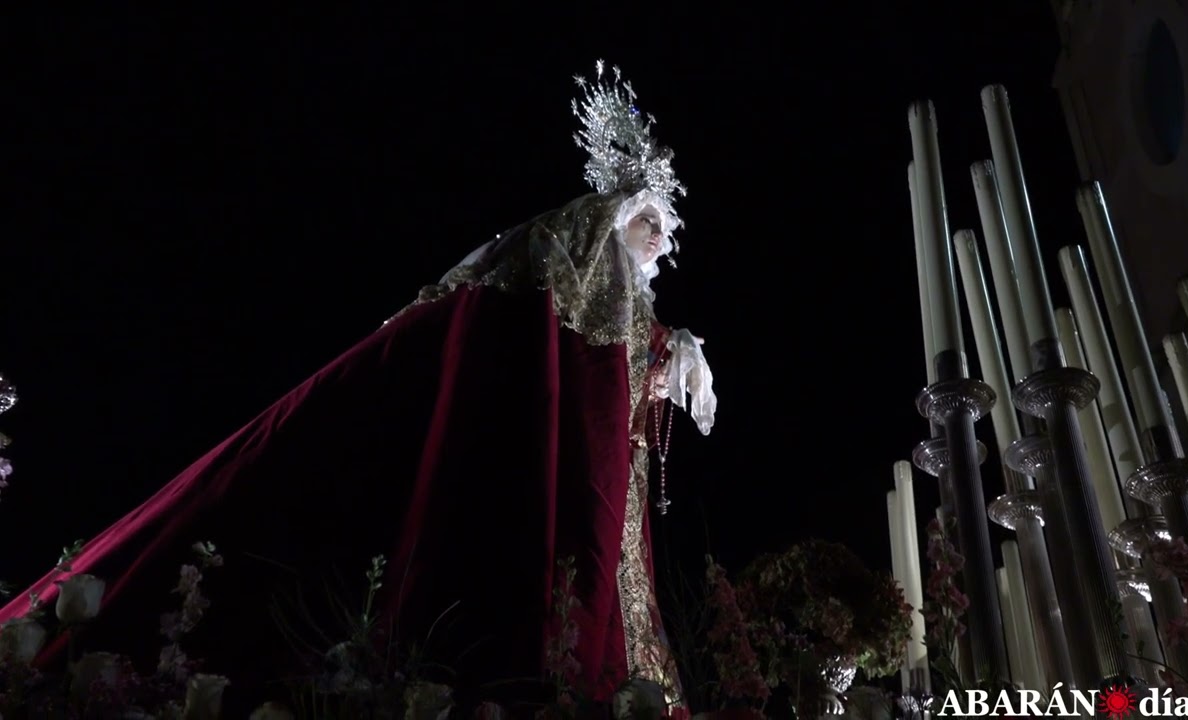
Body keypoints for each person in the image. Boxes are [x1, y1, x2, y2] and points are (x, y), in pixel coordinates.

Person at [0, 60, 715, 715]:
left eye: (666, 227)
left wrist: (669, 353)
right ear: (608, 219)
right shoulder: (568, 261)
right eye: (648, 220)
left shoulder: (621, 305)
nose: (659, 239)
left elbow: (617, 366)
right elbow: (583, 343)